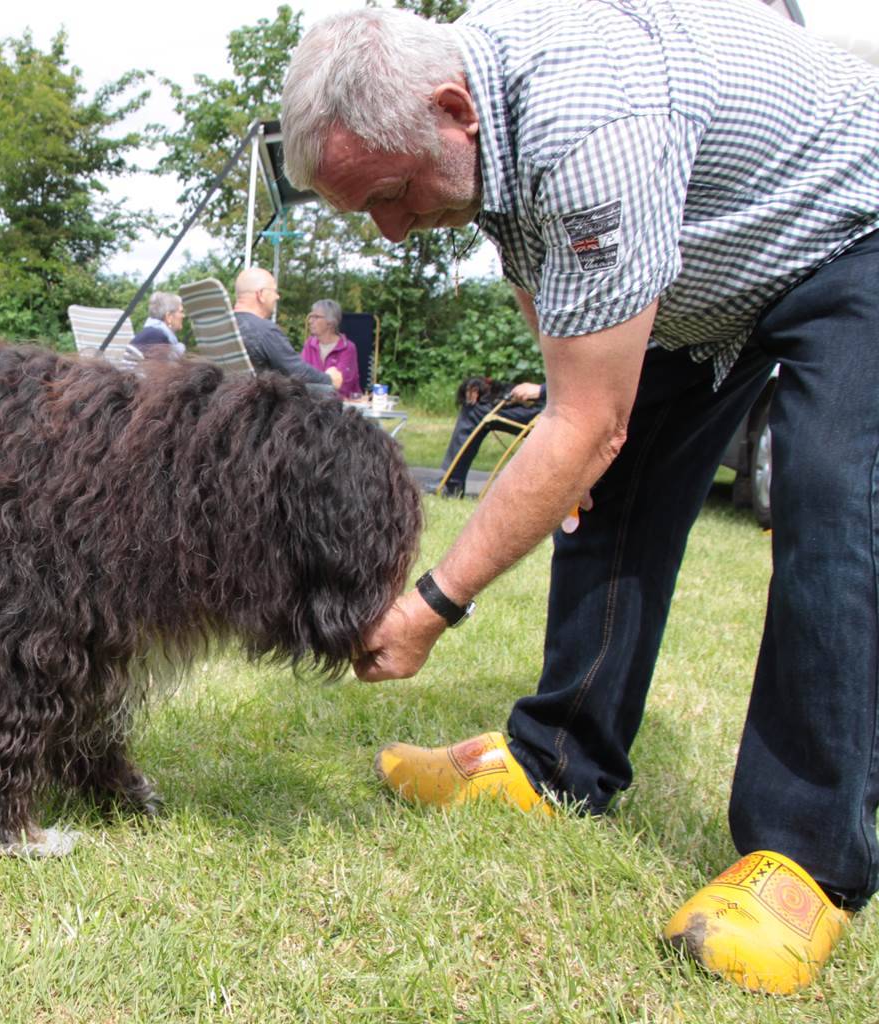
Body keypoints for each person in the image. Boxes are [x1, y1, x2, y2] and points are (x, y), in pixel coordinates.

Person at [281, 1, 879, 995]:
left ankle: (807, 858)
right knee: (609, 493)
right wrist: (576, 440)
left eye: (390, 195)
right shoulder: (482, 129)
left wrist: (428, 606)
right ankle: (556, 760)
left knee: (828, 502)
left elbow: (583, 422)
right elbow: (580, 400)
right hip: (706, 265)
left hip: (851, 224)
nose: (390, 231)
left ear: (451, 112)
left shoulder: (587, 124)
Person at [232, 267, 342, 393]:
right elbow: (297, 372)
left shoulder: (225, 327)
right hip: (259, 407)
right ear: (261, 294)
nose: (277, 296)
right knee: (326, 392)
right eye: (274, 291)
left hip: (226, 404)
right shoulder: (265, 331)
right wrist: (330, 379)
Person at [435, 377, 545, 498]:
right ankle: (452, 484)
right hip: (549, 406)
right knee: (475, 404)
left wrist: (541, 390)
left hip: (555, 415)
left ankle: (453, 486)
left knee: (474, 411)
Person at [300, 299, 362, 398]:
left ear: (331, 322)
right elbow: (301, 376)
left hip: (340, 407)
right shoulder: (309, 345)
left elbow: (342, 386)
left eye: (316, 317)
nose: (310, 321)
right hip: (312, 404)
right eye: (311, 316)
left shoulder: (347, 348)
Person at [131, 292, 187, 361]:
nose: (183, 316)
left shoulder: (151, 333)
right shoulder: (156, 338)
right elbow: (161, 370)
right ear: (169, 317)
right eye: (181, 312)